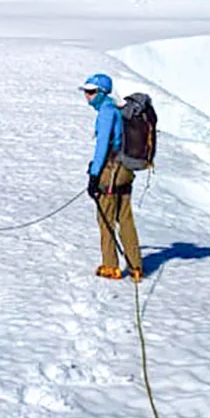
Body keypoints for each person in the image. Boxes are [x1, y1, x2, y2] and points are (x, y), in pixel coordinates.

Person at [83, 72, 143, 282]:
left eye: (90, 92)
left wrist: (93, 175)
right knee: (125, 217)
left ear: (100, 92)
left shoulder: (106, 113)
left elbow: (102, 147)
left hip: (111, 171)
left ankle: (111, 267)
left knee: (106, 217)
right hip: (125, 170)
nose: (87, 96)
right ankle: (136, 266)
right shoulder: (115, 110)